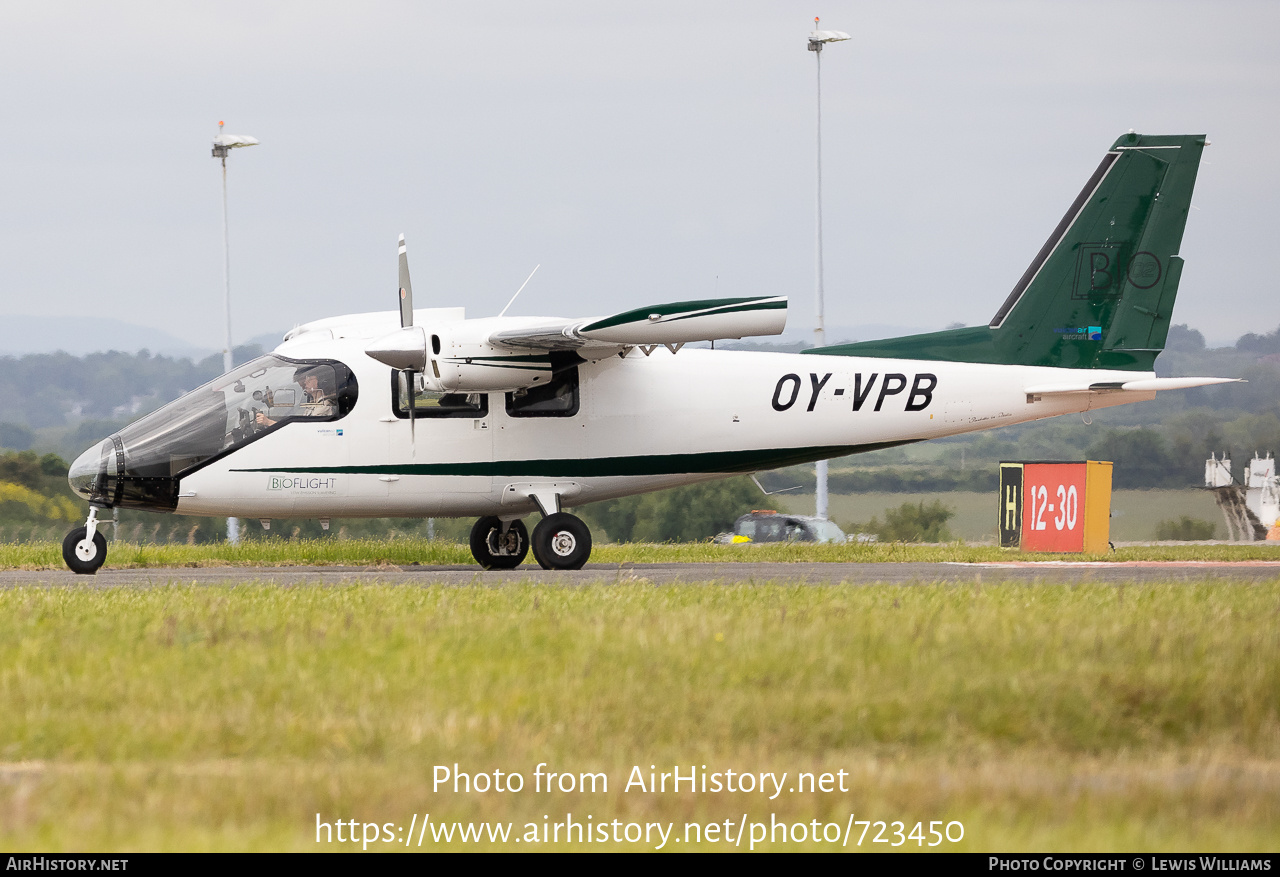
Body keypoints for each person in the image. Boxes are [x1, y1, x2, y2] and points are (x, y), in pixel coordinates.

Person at [255, 368, 335, 427]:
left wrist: (268, 422)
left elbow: (302, 432)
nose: (305, 382)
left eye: (309, 379)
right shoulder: (314, 404)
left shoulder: (324, 406)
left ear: (320, 381)